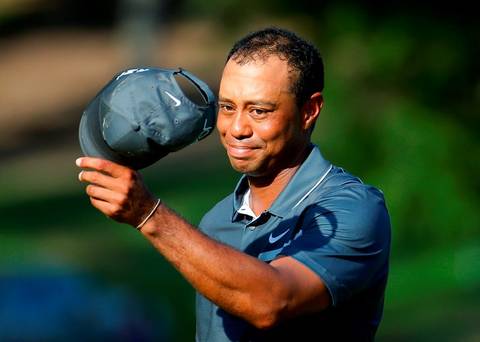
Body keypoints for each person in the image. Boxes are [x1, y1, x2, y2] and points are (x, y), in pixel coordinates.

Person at [77, 27, 391, 341]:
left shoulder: (353, 208)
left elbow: (271, 302)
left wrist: (149, 215)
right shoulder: (215, 222)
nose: (236, 128)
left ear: (309, 111)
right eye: (228, 108)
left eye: (258, 111)